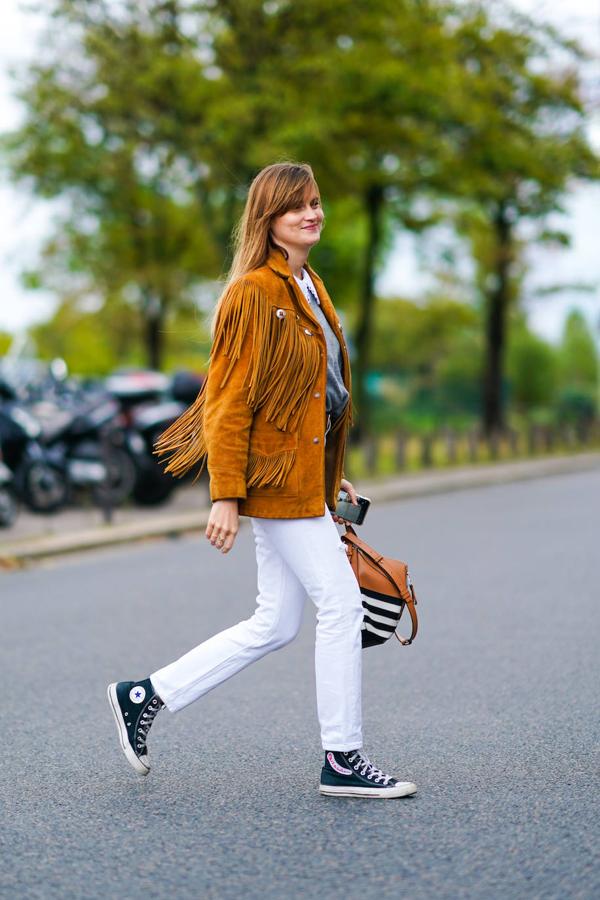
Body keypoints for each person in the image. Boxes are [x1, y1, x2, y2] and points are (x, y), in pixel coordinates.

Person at [107, 162, 416, 800]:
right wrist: (225, 495)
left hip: (303, 478)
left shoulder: (309, 285)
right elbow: (229, 402)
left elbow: (309, 398)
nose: (311, 213)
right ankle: (342, 758)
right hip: (275, 485)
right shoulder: (253, 292)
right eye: (295, 206)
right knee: (342, 605)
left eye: (316, 202)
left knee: (274, 623)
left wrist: (333, 475)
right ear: (268, 219)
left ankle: (145, 695)